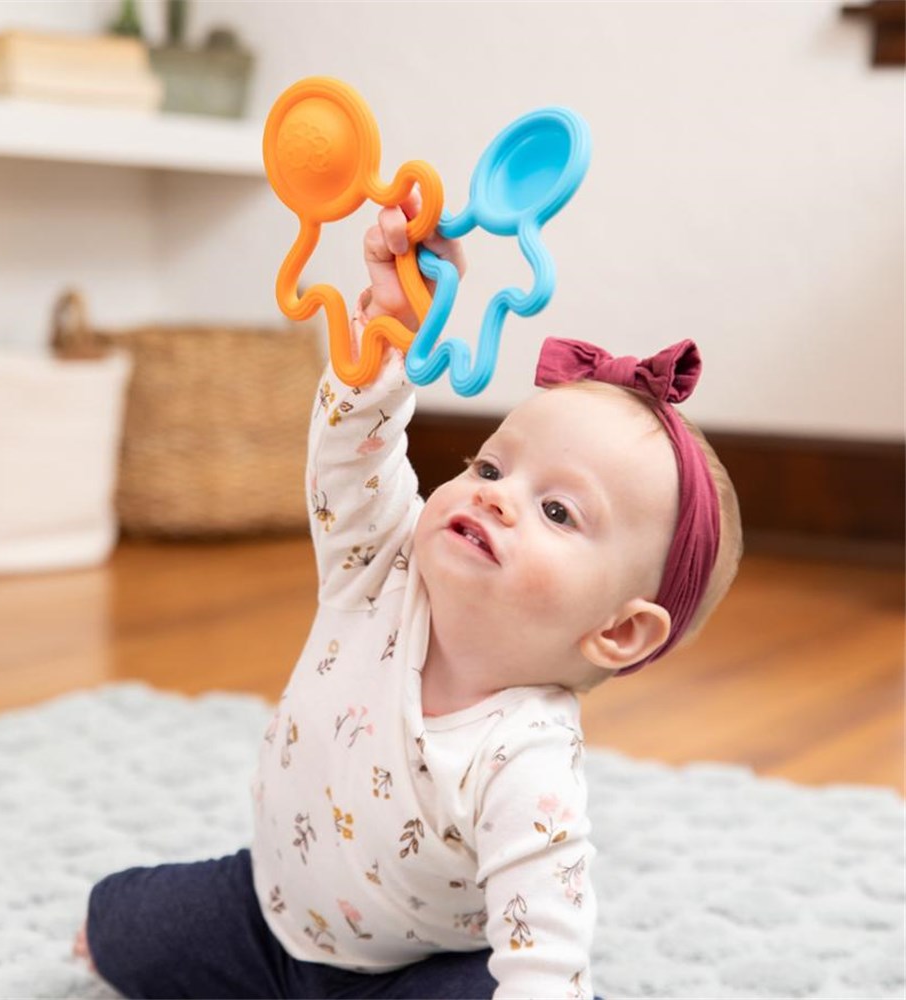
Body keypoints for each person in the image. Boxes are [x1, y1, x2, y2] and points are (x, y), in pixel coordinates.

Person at [75, 191, 743, 999]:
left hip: (409, 972)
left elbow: (544, 952)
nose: (496, 495)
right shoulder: (378, 569)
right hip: (267, 912)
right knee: (116, 923)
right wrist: (391, 330)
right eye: (490, 466)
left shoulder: (527, 760)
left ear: (619, 633)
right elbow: (351, 456)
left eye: (558, 511)